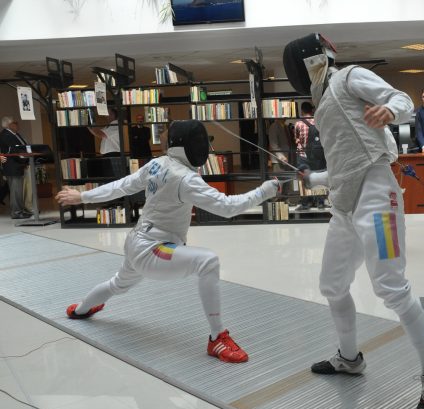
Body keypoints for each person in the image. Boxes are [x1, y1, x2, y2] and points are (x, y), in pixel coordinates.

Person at [283, 33, 424, 409]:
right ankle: (349, 358)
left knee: (390, 286)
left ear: (306, 64)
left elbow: (401, 99)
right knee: (332, 284)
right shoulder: (323, 102)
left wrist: (389, 111)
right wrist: (314, 178)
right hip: (344, 206)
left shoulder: (349, 77)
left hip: (378, 200)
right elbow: (344, 163)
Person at [55, 120, 280, 363]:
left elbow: (123, 186)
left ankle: (81, 310)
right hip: (152, 250)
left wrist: (83, 196)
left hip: (135, 242)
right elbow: (228, 207)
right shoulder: (185, 179)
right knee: (208, 262)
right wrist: (264, 191)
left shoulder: (157, 163)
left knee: (117, 284)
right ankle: (217, 338)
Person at [294, 101, 325, 210]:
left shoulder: (298, 124)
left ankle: (306, 202)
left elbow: (296, 140)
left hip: (303, 155)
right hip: (316, 155)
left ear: (302, 111)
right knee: (318, 177)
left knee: (304, 178)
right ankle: (319, 201)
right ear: (312, 110)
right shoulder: (318, 122)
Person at [0, 116, 32, 219]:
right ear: (9, 125)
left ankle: (21, 210)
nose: (17, 124)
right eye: (15, 122)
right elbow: (15, 151)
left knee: (19, 191)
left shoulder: (15, 134)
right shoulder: (5, 135)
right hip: (12, 167)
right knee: (15, 191)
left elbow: (23, 147)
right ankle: (16, 212)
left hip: (19, 165)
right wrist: (25, 160)